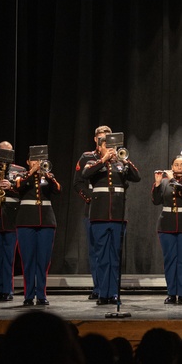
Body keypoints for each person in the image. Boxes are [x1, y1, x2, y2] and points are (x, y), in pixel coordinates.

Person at [81, 133, 141, 305]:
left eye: (112, 147)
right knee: (102, 257)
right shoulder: (93, 163)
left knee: (114, 257)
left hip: (117, 217)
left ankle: (113, 293)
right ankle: (102, 293)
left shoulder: (120, 165)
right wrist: (103, 159)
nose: (110, 150)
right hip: (99, 217)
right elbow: (85, 174)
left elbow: (137, 177)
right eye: (106, 146)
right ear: (100, 148)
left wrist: (125, 161)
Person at [14, 147, 61, 306]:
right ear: (28, 162)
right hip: (26, 221)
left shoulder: (48, 176)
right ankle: (28, 296)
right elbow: (18, 188)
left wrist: (47, 175)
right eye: (34, 160)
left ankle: (41, 294)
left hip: (46, 222)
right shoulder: (21, 176)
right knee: (28, 260)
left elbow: (58, 190)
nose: (37, 162)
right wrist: (32, 172)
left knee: (43, 260)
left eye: (40, 160)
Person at [152, 156, 182, 305]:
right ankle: (172, 293)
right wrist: (158, 184)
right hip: (166, 224)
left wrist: (172, 180)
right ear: (172, 166)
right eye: (176, 164)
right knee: (170, 260)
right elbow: (156, 201)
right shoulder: (165, 182)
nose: (179, 167)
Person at [74, 125, 112, 301]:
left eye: (106, 138)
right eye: (100, 138)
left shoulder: (116, 157)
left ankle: (110, 288)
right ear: (95, 139)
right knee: (95, 251)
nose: (102, 141)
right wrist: (92, 198)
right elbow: (78, 183)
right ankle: (98, 287)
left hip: (111, 209)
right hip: (93, 208)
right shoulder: (87, 157)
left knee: (111, 251)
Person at [0, 141, 25, 302]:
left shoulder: (20, 171)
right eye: (3, 152)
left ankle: (7, 290)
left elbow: (26, 191)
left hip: (11, 217)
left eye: (9, 152)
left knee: (9, 256)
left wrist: (12, 186)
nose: (5, 155)